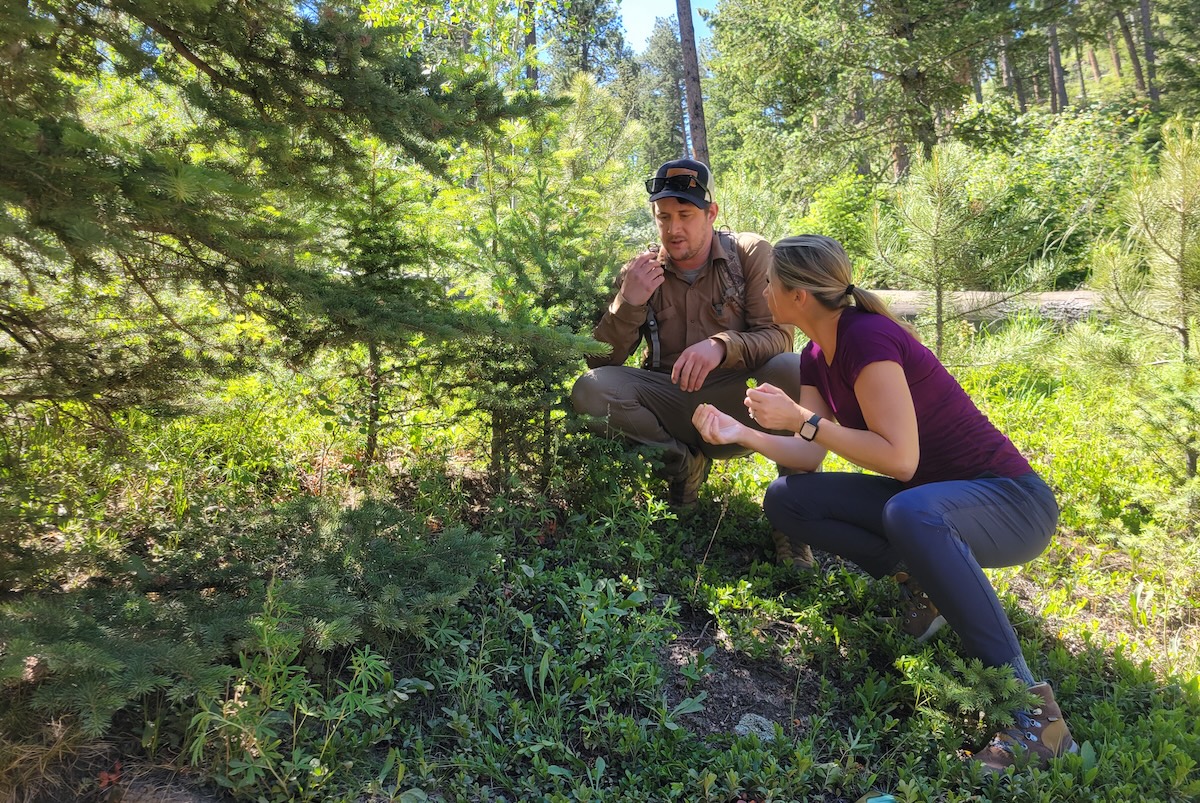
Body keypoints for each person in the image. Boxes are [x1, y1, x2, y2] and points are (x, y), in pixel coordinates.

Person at [691, 234, 1077, 771]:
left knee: (908, 509)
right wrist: (742, 431)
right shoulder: (815, 355)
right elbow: (804, 458)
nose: (764, 289)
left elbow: (900, 461)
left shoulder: (867, 337)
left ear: (798, 294)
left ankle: (1037, 717)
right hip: (932, 506)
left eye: (771, 282)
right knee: (788, 500)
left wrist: (804, 420)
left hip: (1012, 504)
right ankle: (931, 585)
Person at [571, 158, 813, 568]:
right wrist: (629, 302)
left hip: (739, 404)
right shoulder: (641, 270)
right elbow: (601, 358)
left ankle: (794, 521)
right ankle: (682, 465)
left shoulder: (750, 254)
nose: (673, 229)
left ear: (711, 213)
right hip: (670, 403)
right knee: (590, 388)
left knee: (795, 369)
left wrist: (721, 345)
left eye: (685, 215)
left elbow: (779, 336)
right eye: (664, 217)